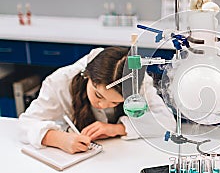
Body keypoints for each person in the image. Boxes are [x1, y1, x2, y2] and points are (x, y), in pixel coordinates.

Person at [19, 47, 175, 154]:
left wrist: (117, 129)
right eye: (98, 96)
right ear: (88, 76)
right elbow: (25, 124)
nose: (103, 105)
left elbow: (167, 123)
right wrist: (57, 138)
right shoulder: (60, 82)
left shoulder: (137, 83)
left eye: (115, 103)